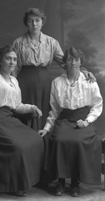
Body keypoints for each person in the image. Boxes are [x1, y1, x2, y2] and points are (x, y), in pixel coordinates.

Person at [0, 45, 44, 197]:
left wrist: (31, 108)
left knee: (36, 139)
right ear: (0, 60)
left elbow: (16, 105)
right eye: (8, 58)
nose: (12, 62)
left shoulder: (14, 81)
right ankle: (12, 185)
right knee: (17, 145)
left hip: (7, 118)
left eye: (15, 59)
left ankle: (23, 181)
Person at [12, 7, 95, 132]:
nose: (34, 24)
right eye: (30, 21)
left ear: (42, 22)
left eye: (37, 20)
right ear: (26, 23)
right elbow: (13, 67)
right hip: (25, 80)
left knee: (45, 109)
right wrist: (12, 85)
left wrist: (83, 71)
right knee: (26, 111)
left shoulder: (51, 42)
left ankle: (44, 140)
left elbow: (65, 62)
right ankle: (28, 142)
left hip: (45, 81)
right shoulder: (18, 43)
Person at [39, 47, 103, 197]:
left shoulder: (89, 81)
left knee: (79, 141)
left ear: (81, 62)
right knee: (60, 140)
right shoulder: (57, 82)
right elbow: (54, 110)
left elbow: (97, 105)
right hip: (65, 119)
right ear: (65, 62)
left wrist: (87, 121)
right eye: (69, 59)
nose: (73, 63)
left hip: (83, 119)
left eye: (76, 60)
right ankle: (61, 181)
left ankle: (75, 183)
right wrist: (47, 128)